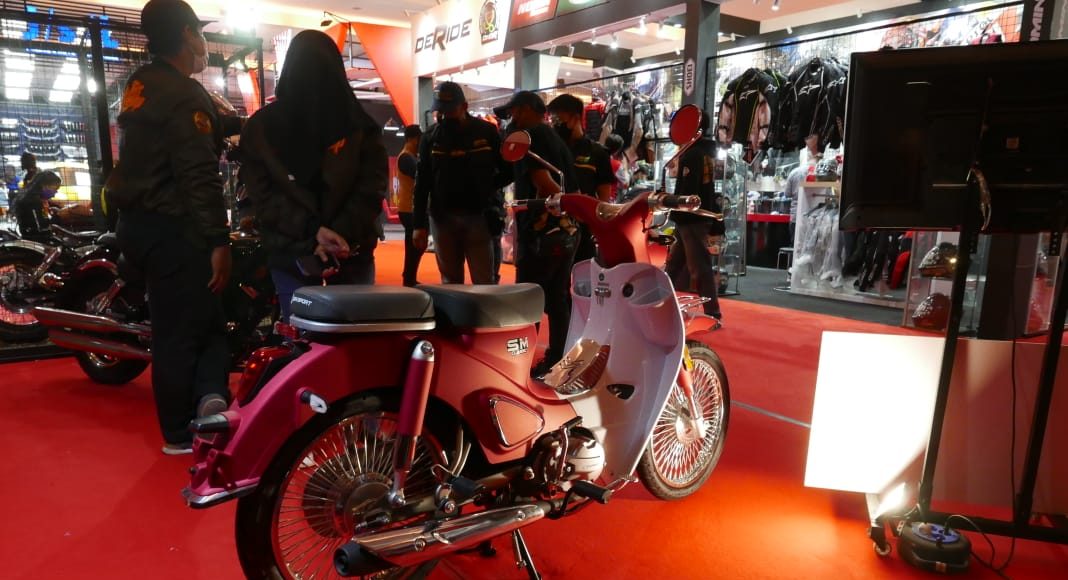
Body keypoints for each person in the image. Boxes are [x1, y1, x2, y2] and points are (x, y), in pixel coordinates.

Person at [104, 0, 231, 455]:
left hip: (136, 224)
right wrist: (219, 240)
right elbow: (199, 176)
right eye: (200, 33)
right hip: (174, 228)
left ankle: (208, 400)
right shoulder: (185, 95)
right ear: (187, 34)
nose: (204, 44)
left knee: (188, 322)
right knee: (186, 331)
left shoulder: (140, 84)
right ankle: (181, 431)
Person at [240, 30, 388, 319]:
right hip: (350, 248)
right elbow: (371, 190)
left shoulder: (261, 128)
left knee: (299, 333)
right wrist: (339, 233)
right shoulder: (360, 125)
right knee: (353, 334)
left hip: (291, 249)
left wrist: (312, 233)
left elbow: (265, 198)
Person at [495, 91, 578, 377]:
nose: (513, 117)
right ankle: (558, 360)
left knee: (528, 298)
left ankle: (521, 363)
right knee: (557, 298)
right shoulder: (553, 138)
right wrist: (570, 213)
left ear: (530, 109)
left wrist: (557, 210)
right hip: (564, 231)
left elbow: (542, 181)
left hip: (543, 231)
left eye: (516, 111)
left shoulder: (530, 137)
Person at [412, 82, 510, 285]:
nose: (444, 115)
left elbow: (508, 170)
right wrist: (418, 225)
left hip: (479, 218)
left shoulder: (487, 132)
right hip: (442, 219)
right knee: (450, 283)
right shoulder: (430, 137)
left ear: (464, 106)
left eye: (450, 110)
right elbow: (422, 182)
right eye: (440, 110)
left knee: (484, 282)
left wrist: (487, 189)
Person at [664, 111, 723, 328]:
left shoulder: (691, 154)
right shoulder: (705, 152)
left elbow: (687, 190)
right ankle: (660, 303)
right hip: (695, 216)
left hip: (691, 218)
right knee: (674, 266)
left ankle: (713, 313)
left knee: (699, 267)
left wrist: (672, 203)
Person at [547, 93, 614, 263]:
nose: (555, 124)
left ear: (575, 118)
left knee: (582, 274)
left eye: (558, 119)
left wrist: (597, 225)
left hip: (584, 229)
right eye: (552, 120)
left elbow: (604, 196)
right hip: (552, 228)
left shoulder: (597, 152)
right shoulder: (551, 151)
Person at [395, 124, 425, 286]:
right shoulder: (406, 157)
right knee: (415, 246)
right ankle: (409, 277)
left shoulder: (410, 156)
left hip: (410, 208)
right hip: (409, 209)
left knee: (415, 246)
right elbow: (420, 176)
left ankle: (409, 276)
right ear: (414, 139)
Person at [12, 170, 61, 241]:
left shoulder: (33, 197)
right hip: (36, 239)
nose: (55, 192)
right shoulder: (33, 201)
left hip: (32, 236)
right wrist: (57, 216)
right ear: (44, 185)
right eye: (55, 188)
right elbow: (41, 227)